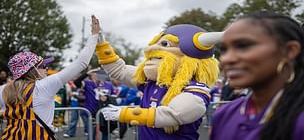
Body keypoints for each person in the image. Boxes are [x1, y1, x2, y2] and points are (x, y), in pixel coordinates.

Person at [0, 15, 100, 139]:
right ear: (32, 70)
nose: (46, 68)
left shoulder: (3, 90)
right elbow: (82, 62)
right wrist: (94, 35)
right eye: (43, 65)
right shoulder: (45, 86)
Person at [97, 24, 222, 139]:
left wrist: (128, 113)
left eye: (164, 45)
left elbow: (174, 114)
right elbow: (119, 70)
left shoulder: (195, 88)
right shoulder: (151, 82)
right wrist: (102, 46)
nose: (149, 50)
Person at [210, 11, 304, 140]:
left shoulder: (299, 121)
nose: (226, 59)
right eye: (224, 49)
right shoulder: (224, 115)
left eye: (243, 46)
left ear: (289, 51)